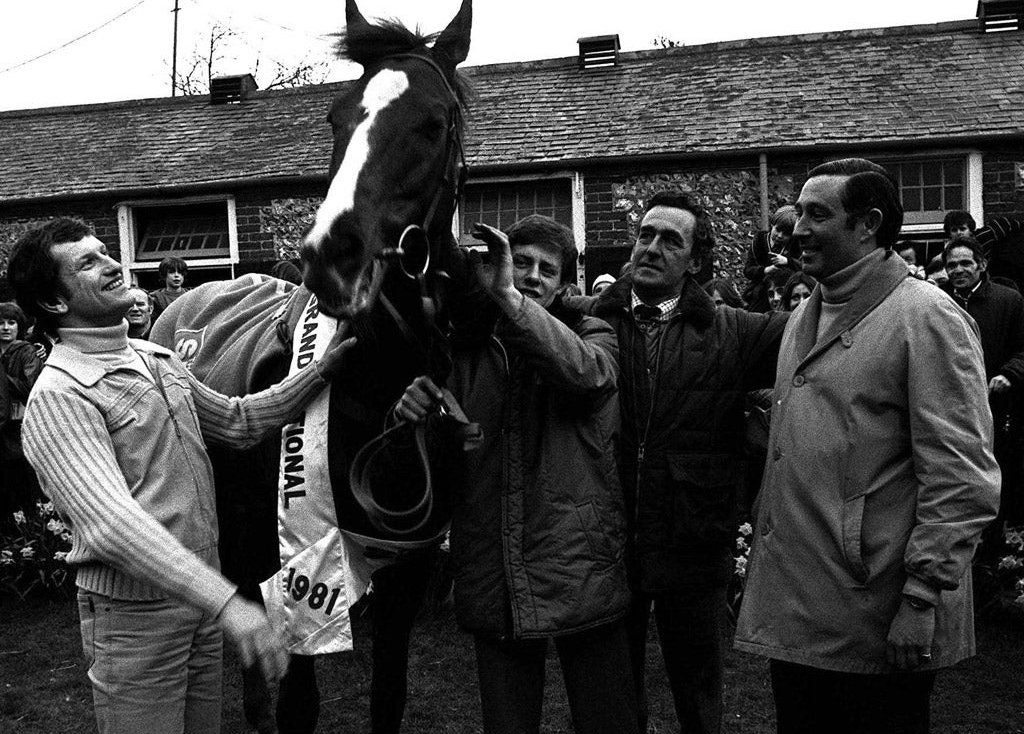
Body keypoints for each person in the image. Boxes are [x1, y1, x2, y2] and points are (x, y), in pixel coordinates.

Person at [7, 218, 356, 734]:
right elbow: (112, 527)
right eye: (88, 262)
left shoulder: (156, 358)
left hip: (198, 606)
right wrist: (228, 604)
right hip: (135, 621)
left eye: (105, 251)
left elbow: (238, 422)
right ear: (55, 303)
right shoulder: (60, 396)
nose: (112, 264)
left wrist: (321, 370)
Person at [735, 159, 1000, 734]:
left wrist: (922, 596)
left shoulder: (927, 317)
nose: (796, 228)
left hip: (880, 609)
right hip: (804, 610)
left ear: (868, 225)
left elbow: (962, 475)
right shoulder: (809, 310)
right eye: (798, 212)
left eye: (816, 214)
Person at [395, 216, 637, 734]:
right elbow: (449, 456)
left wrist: (509, 299)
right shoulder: (465, 349)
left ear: (564, 284)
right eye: (519, 262)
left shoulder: (593, 333)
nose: (529, 276)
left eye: (545, 270)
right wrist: (413, 415)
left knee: (609, 721)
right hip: (494, 569)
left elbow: (587, 378)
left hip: (579, 567)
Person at [581, 190, 786, 734]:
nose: (650, 248)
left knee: (698, 693)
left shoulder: (735, 331)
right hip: (610, 537)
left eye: (670, 240)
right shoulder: (589, 323)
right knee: (614, 699)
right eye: (645, 235)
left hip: (694, 538)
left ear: (696, 261)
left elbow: (822, 327)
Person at [941, 235, 1024, 544]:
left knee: (995, 479)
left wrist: (1009, 375)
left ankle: (994, 549)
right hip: (952, 411)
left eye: (965, 263)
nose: (958, 270)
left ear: (982, 264)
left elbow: (1023, 348)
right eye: (951, 265)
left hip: (997, 409)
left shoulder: (1008, 301)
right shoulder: (938, 302)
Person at [0, 301, 43, 520]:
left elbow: (30, 386)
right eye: (1, 323)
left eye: (11, 322)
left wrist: (3, 379)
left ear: (19, 326)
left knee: (22, 480)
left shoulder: (27, 352)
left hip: (18, 425)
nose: (5, 327)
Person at [742, 206, 801, 311]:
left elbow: (802, 267)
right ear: (772, 225)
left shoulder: (795, 246)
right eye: (777, 230)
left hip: (786, 290)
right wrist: (765, 270)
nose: (780, 236)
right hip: (760, 290)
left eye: (786, 234)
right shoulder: (759, 241)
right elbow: (748, 270)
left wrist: (787, 261)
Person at [150, 256, 190, 321]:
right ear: (164, 275)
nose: (176, 275)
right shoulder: (155, 298)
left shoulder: (191, 295)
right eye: (171, 272)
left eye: (180, 272)